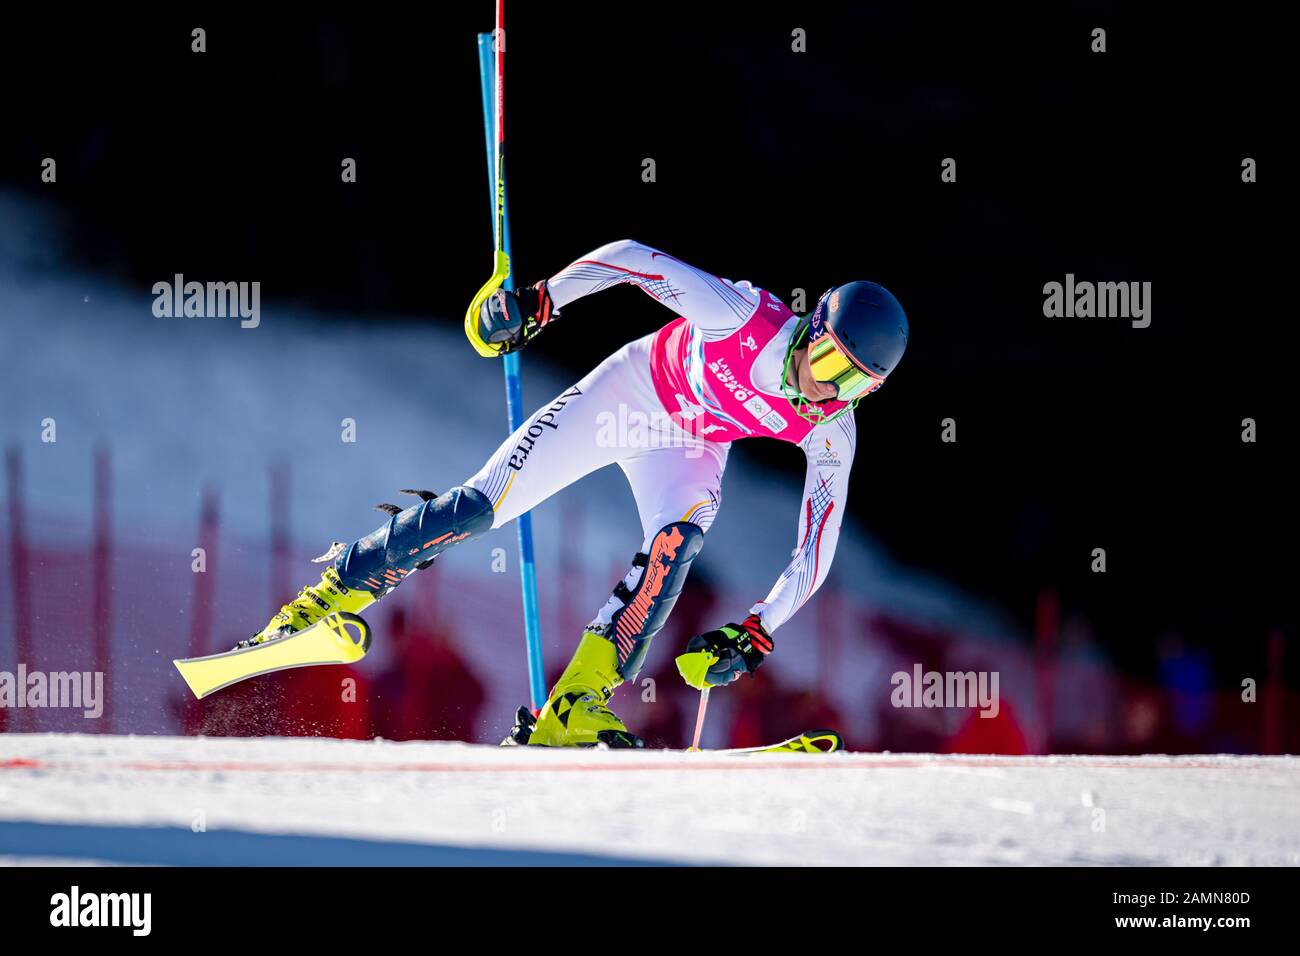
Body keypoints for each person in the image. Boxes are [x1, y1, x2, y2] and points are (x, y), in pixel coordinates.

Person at [245, 240, 908, 747]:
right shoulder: (741, 317)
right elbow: (628, 259)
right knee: (482, 507)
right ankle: (328, 596)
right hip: (627, 393)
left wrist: (760, 628)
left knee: (679, 540)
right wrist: (543, 300)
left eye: (851, 387)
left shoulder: (831, 431)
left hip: (689, 445)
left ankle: (576, 703)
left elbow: (817, 544)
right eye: (826, 366)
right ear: (810, 329)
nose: (826, 391)